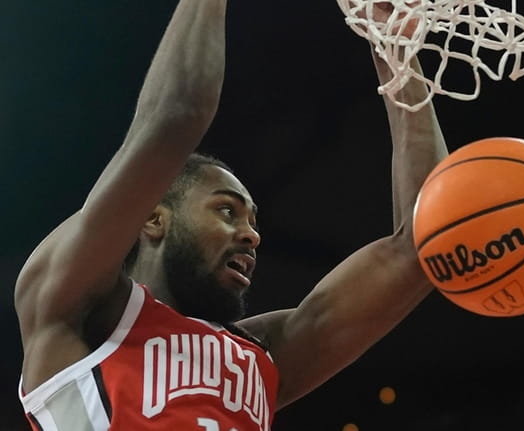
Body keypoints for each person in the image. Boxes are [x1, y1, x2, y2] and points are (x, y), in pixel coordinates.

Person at [14, 1, 447, 430]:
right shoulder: (76, 306)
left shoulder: (260, 351)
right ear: (152, 219)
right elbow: (176, 117)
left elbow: (420, 246)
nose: (251, 236)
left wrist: (396, 54)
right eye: (226, 210)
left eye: (253, 222)